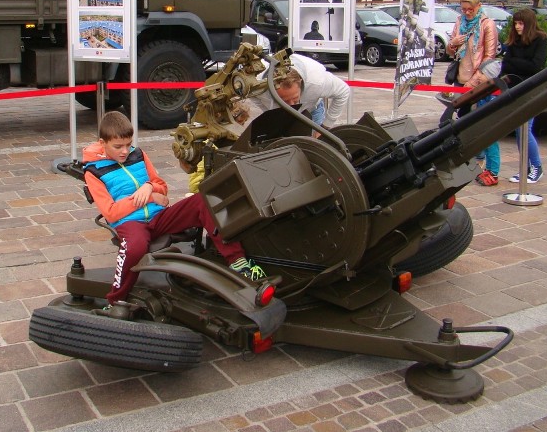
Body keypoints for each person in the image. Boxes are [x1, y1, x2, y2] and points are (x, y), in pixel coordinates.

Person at [83, 111, 265, 315]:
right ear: (103, 143)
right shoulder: (94, 172)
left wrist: (150, 187)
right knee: (134, 248)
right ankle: (115, 300)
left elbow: (162, 186)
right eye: (118, 147)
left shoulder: (138, 155)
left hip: (158, 217)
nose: (125, 151)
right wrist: (148, 196)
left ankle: (238, 262)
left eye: (128, 144)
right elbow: (110, 212)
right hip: (130, 223)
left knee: (202, 201)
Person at [446, 0, 500, 186]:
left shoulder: (487, 24)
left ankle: (484, 162)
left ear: (478, 6)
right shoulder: (460, 22)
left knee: (480, 122)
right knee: (463, 120)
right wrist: (453, 43)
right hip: (461, 78)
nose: (467, 13)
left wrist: (473, 82)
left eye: (470, 9)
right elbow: (449, 51)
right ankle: (471, 157)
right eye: (463, 9)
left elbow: (489, 59)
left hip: (479, 81)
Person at [501, 8, 547, 183]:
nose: (517, 27)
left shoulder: (541, 39)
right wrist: (519, 64)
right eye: (515, 23)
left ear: (528, 24)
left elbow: (536, 66)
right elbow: (505, 66)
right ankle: (525, 167)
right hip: (515, 89)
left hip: (531, 90)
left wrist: (515, 63)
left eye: (520, 23)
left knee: (525, 130)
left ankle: (536, 166)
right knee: (519, 130)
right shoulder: (514, 41)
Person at [258, 53, 351, 128]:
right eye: (284, 101)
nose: (292, 105)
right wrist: (269, 111)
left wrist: (325, 126)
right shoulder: (258, 84)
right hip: (279, 115)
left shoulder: (317, 81)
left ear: (300, 83)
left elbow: (343, 91)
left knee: (315, 147)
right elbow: (255, 98)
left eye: (295, 98)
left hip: (311, 111)